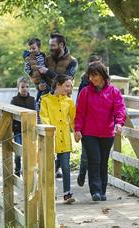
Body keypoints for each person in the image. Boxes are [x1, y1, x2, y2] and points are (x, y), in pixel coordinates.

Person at [74, 62, 126, 201]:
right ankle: (95, 191)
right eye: (90, 76)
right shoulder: (85, 92)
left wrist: (119, 123)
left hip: (107, 132)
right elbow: (80, 113)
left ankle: (102, 191)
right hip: (89, 132)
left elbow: (120, 109)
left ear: (102, 75)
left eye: (95, 75)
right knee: (94, 160)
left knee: (103, 162)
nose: (92, 79)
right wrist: (77, 129)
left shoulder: (114, 92)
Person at [38, 33, 78, 177]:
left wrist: (48, 72)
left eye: (53, 45)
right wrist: (40, 84)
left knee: (61, 130)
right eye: (50, 45)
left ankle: (58, 166)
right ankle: (46, 165)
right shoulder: (46, 59)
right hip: (46, 99)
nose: (50, 48)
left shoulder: (73, 62)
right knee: (45, 129)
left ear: (61, 45)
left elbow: (67, 79)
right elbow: (39, 77)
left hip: (63, 101)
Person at [39, 74, 76, 204]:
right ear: (58, 85)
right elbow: (44, 116)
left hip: (64, 138)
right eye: (67, 85)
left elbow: (73, 120)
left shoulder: (69, 101)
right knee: (51, 167)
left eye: (70, 86)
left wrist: (77, 131)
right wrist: (50, 129)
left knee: (66, 167)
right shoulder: (45, 100)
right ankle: (50, 193)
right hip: (51, 138)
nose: (70, 88)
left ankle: (67, 194)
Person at [76, 54, 102, 187]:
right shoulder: (84, 83)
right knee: (86, 155)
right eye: (92, 64)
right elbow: (79, 104)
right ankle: (82, 173)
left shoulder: (105, 83)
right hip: (87, 124)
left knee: (99, 157)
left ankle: (97, 184)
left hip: (102, 126)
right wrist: (78, 127)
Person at [10, 77, 36, 177]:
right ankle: (17, 170)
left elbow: (35, 114)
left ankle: (27, 172)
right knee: (18, 152)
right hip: (18, 130)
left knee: (29, 152)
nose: (25, 89)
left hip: (29, 130)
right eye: (22, 87)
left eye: (27, 87)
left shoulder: (32, 100)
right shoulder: (14, 100)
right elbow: (10, 115)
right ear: (18, 88)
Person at [23, 38, 48, 103]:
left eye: (33, 48)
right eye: (30, 49)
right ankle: (37, 102)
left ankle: (40, 102)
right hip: (37, 78)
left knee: (46, 90)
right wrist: (32, 73)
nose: (31, 50)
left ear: (39, 47)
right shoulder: (29, 58)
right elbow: (26, 68)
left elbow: (46, 63)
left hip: (45, 76)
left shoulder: (43, 55)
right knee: (41, 89)